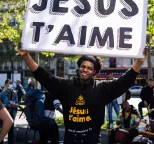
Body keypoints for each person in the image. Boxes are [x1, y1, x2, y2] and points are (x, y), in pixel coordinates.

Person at [19, 46, 147, 144]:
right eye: (83, 66)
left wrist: (140, 61)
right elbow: (43, 76)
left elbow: (124, 81)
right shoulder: (65, 86)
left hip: (92, 140)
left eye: (89, 68)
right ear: (79, 68)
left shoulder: (102, 89)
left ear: (95, 72)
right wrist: (25, 56)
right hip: (70, 139)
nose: (85, 70)